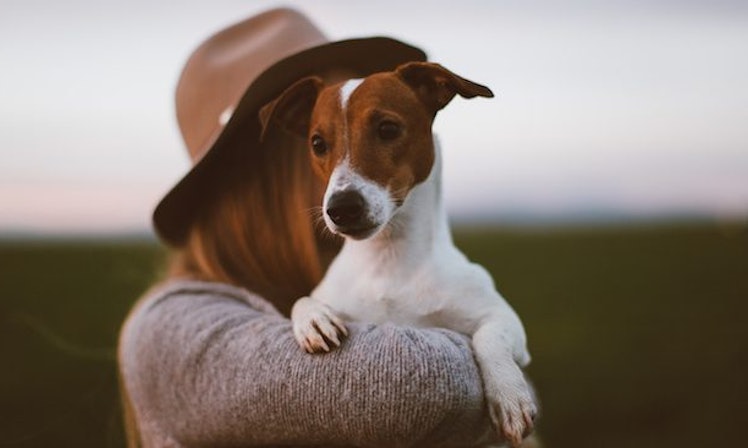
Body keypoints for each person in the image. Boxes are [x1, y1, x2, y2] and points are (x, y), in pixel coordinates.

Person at [118, 8, 508, 448]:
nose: (349, 172)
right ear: (257, 183)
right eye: (324, 142)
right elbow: (424, 384)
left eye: (379, 128)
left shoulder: (345, 289)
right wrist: (489, 344)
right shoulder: (172, 326)